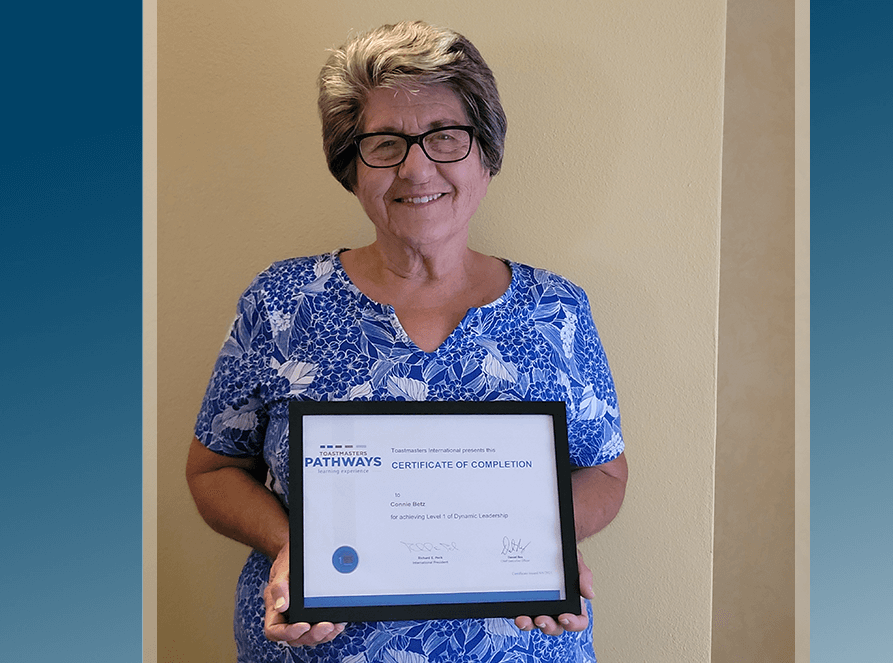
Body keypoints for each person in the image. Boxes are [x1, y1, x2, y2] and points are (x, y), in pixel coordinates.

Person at [186, 20, 628, 663]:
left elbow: (607, 471)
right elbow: (213, 468)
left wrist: (547, 543)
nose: (417, 167)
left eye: (445, 137)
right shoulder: (282, 303)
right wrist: (296, 548)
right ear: (351, 165)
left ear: (484, 153)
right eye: (386, 143)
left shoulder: (556, 310)